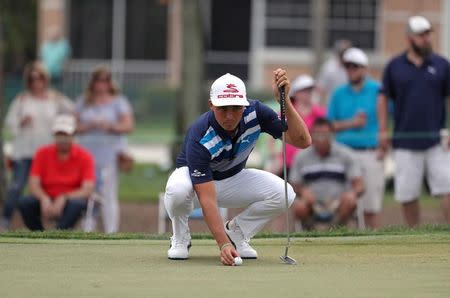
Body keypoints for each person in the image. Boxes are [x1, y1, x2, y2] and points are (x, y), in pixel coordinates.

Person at [164, 69, 311, 266]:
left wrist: (285, 103)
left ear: (245, 104)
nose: (230, 116)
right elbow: (207, 198)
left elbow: (303, 141)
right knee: (177, 190)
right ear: (211, 105)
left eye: (236, 108)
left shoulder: (257, 113)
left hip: (231, 178)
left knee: (284, 193)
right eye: (223, 108)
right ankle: (181, 237)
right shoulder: (201, 135)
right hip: (194, 184)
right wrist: (223, 245)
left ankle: (237, 232)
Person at [378, 16, 450, 227]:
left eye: (428, 34)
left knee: (447, 188)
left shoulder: (442, 64)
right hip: (404, 141)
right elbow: (383, 98)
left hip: (438, 140)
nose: (427, 38)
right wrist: (383, 131)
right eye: (421, 35)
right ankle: (414, 232)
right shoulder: (394, 66)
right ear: (409, 38)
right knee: (407, 192)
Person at [0, 61, 73, 230]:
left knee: (50, 187)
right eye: (32, 79)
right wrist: (21, 122)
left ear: (45, 79)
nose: (36, 82)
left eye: (39, 78)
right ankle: (5, 220)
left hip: (47, 153)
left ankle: (56, 222)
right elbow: (10, 124)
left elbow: (73, 111)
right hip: (24, 152)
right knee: (17, 187)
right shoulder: (22, 100)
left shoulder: (55, 99)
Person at [327, 48, 385, 229]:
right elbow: (329, 125)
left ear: (364, 68)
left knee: (370, 206)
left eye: (356, 66)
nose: (352, 70)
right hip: (342, 153)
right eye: (348, 67)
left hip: (369, 152)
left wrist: (384, 145)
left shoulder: (378, 90)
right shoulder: (338, 93)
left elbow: (387, 117)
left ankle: (373, 243)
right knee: (341, 203)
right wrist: (352, 123)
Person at [75, 66, 134, 233]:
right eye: (99, 80)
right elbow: (73, 126)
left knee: (108, 193)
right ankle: (88, 228)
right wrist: (89, 125)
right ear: (93, 82)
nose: (102, 84)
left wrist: (111, 126)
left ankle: (111, 230)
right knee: (88, 191)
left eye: (106, 80)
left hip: (110, 154)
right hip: (87, 153)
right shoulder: (83, 102)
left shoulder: (118, 101)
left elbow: (128, 125)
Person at [18, 115, 95, 231]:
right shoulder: (42, 153)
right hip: (45, 197)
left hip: (71, 200)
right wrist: (44, 198)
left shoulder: (85, 156)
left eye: (66, 135)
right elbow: (33, 184)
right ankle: (38, 235)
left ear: (73, 135)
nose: (62, 139)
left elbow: (87, 189)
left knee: (77, 204)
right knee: (25, 202)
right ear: (54, 135)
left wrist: (64, 197)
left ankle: (59, 233)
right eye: (59, 135)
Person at [289, 118, 364, 229]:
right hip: (312, 205)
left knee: (351, 201)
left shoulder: (346, 154)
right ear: (311, 135)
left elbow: (359, 185)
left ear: (332, 135)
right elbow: (293, 184)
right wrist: (303, 191)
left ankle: (336, 229)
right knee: (299, 206)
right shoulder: (301, 157)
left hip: (338, 203)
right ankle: (310, 232)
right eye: (317, 135)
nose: (321, 139)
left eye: (324, 135)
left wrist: (351, 193)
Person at [269, 75, 325, 177]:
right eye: (304, 90)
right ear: (296, 93)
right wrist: (275, 155)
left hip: (309, 160)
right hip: (287, 161)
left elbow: (325, 133)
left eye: (310, 90)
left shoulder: (319, 112)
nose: (308, 93)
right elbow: (271, 133)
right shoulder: (285, 111)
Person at [316, 39, 353, 106]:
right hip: (332, 106)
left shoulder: (354, 68)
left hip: (350, 105)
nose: (343, 55)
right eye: (341, 53)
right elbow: (320, 89)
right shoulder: (328, 67)